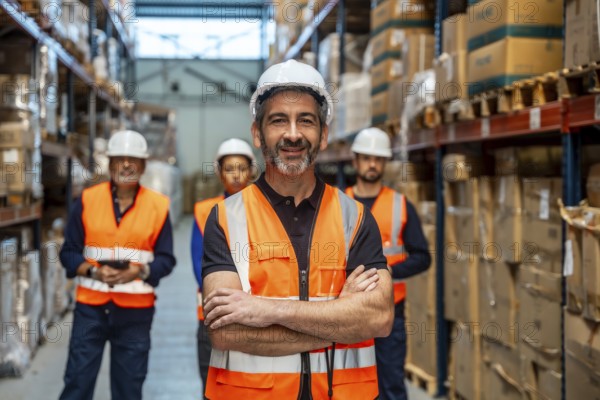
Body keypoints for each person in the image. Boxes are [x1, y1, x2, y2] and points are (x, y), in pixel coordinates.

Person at [200, 59, 394, 400]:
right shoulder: (225, 218)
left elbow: (378, 317)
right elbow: (226, 331)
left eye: (306, 120)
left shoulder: (356, 218)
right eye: (278, 121)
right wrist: (340, 321)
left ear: (324, 134)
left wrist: (266, 311)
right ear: (258, 133)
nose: (293, 133)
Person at [59, 130, 177, 400]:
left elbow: (166, 259)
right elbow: (69, 253)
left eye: (133, 159)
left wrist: (141, 271)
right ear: (110, 164)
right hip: (90, 311)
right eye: (119, 159)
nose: (126, 165)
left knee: (128, 389)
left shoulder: (158, 207)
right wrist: (93, 272)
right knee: (77, 384)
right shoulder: (88, 201)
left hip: (135, 315)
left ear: (144, 166)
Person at [345, 127, 432, 400]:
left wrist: (391, 270)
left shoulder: (400, 204)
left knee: (391, 382)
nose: (372, 164)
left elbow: (423, 256)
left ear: (384, 163)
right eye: (367, 158)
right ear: (355, 161)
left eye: (378, 159)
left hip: (389, 311)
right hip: (345, 310)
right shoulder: (337, 203)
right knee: (349, 383)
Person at [190, 138, 255, 395]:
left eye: (242, 168)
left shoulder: (266, 210)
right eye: (230, 169)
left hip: (256, 315)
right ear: (219, 173)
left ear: (251, 171)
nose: (236, 175)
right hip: (213, 315)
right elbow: (199, 263)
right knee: (213, 386)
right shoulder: (204, 211)